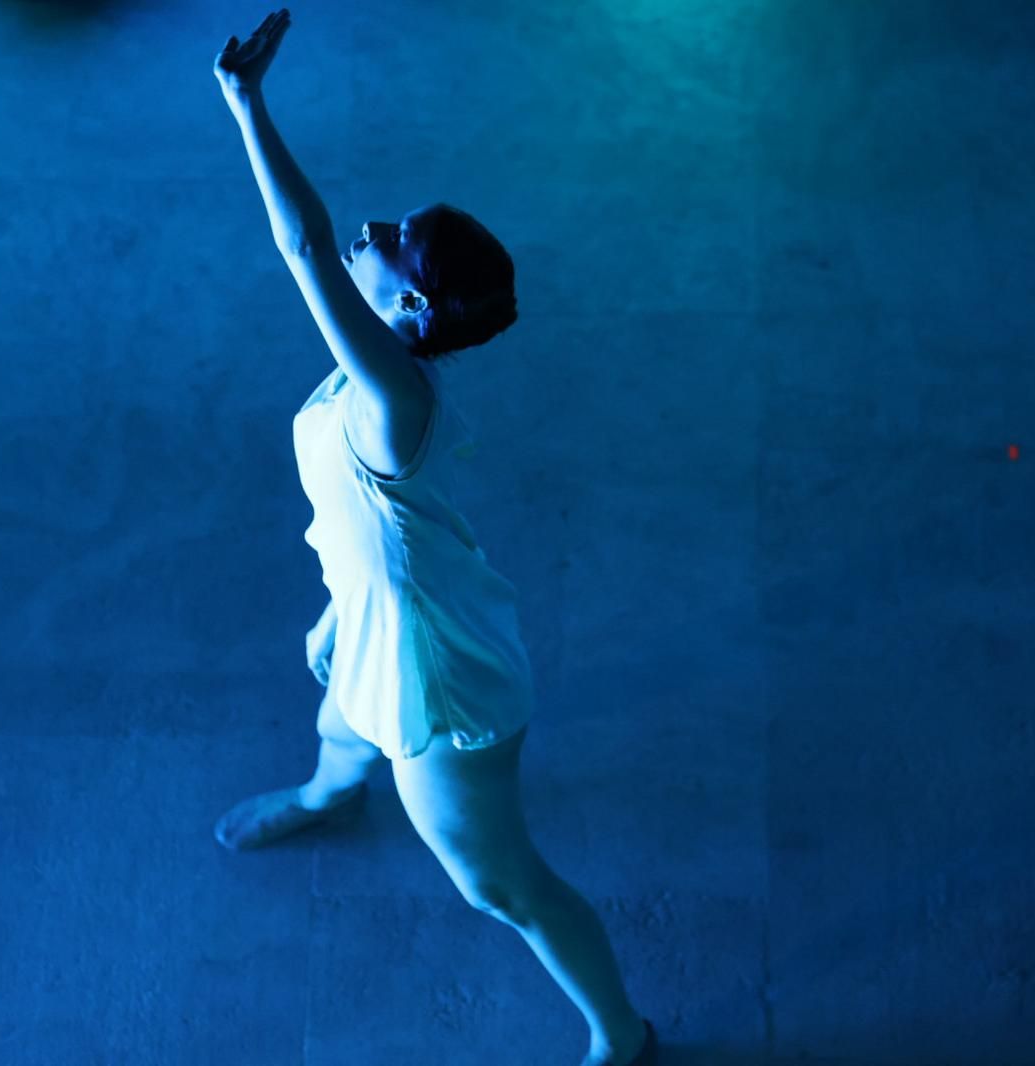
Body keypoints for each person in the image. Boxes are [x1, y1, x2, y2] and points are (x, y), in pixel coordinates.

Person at [209, 12, 658, 1066]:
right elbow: (362, 529)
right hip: (380, 619)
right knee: (336, 720)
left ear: (408, 303)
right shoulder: (380, 382)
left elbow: (304, 245)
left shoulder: (390, 399)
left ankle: (621, 1036)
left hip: (436, 674)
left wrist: (247, 104)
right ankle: (327, 796)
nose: (364, 229)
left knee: (496, 884)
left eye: (386, 239)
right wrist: (334, 610)